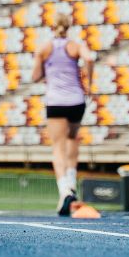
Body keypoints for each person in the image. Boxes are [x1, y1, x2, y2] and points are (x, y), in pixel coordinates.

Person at [29, 15, 93, 215]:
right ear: (69, 27)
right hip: (76, 100)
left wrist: (48, 70)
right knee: (72, 139)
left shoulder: (44, 48)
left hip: (56, 101)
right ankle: (72, 184)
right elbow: (90, 58)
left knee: (58, 146)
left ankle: (64, 191)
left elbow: (35, 76)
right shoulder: (75, 46)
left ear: (52, 27)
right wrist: (89, 81)